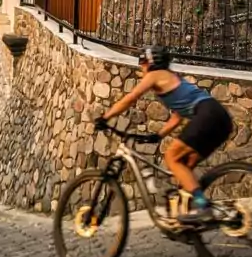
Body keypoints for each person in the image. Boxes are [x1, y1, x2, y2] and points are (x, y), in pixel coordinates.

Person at [95, 46, 233, 224]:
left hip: (207, 114)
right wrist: (158, 136)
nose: (141, 68)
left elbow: (131, 97)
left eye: (142, 63)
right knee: (185, 164)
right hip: (220, 117)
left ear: (150, 63)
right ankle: (189, 216)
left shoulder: (155, 75)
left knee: (171, 157)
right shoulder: (172, 78)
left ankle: (202, 206)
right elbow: (176, 117)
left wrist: (105, 117)